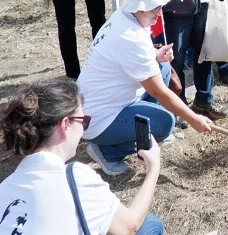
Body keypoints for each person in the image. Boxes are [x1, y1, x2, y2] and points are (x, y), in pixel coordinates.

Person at [78, 0, 213, 176]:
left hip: (104, 103)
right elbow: (159, 92)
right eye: (154, 8)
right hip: (98, 118)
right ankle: (107, 151)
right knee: (165, 124)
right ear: (139, 7)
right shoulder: (129, 37)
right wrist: (194, 118)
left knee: (163, 68)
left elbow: (134, 59)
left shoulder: (124, 16)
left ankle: (142, 131)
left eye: (160, 7)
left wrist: (155, 55)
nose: (160, 13)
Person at [0, 78, 164, 234]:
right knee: (150, 225)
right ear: (65, 125)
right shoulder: (75, 179)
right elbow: (130, 226)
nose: (84, 129)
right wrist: (154, 168)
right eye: (84, 120)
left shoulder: (5, 188)